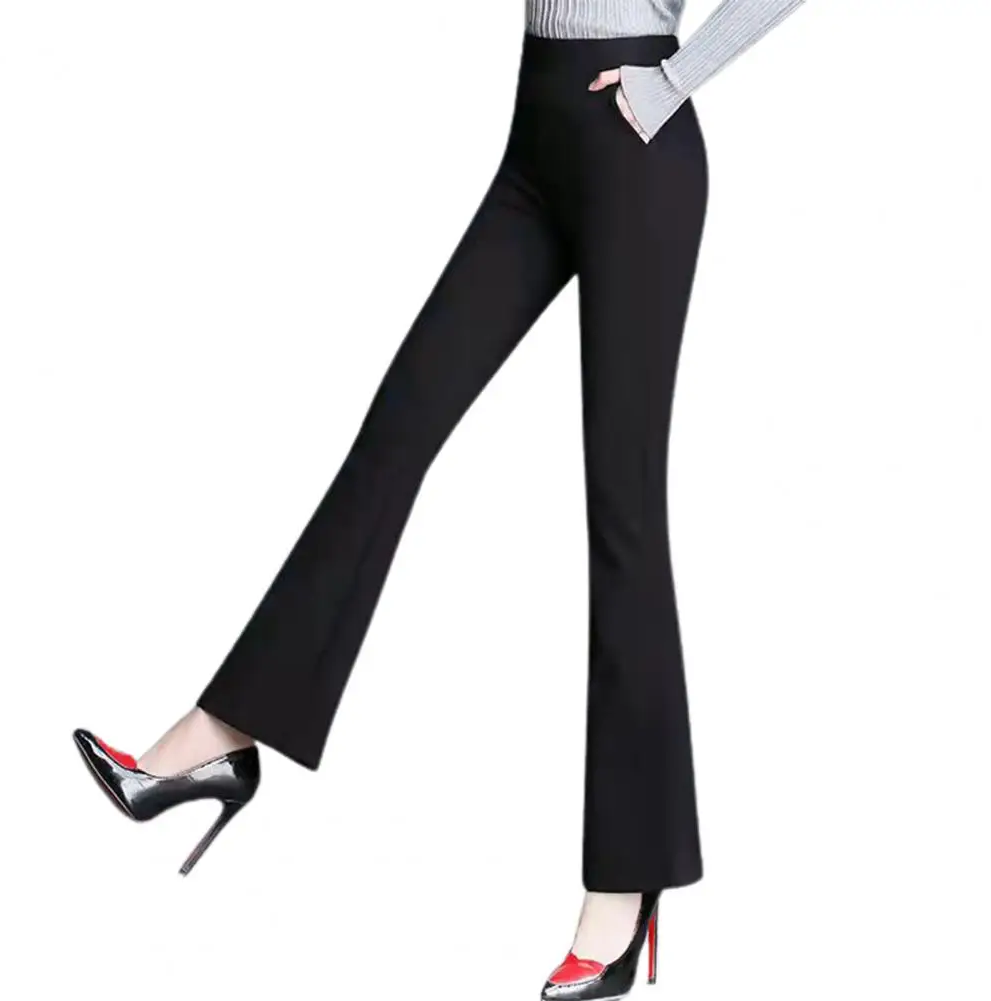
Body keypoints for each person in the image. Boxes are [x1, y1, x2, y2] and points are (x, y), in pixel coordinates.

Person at [73, 2, 808, 998]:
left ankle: (627, 886)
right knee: (395, 433)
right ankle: (221, 736)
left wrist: (675, 79)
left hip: (636, 136)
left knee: (622, 512)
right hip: (536, 134)